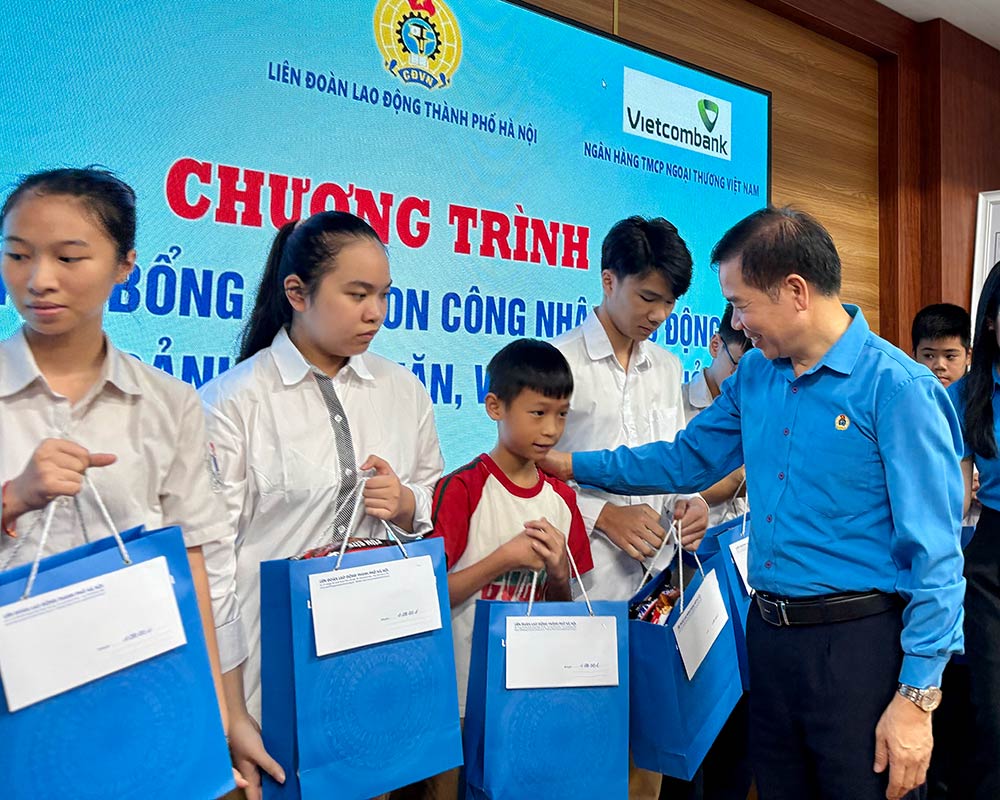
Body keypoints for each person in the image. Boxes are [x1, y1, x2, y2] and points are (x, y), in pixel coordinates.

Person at [543, 207, 965, 800]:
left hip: (858, 647)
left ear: (795, 291)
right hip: (768, 639)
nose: (735, 323)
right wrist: (573, 464)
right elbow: (685, 459)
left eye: (741, 304)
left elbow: (938, 558)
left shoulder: (897, 389)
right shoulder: (757, 377)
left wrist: (918, 698)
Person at [0, 167, 242, 786]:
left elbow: (195, 562)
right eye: (17, 255)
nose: (38, 280)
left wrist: (212, 712)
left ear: (125, 265)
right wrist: (14, 497)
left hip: (139, 689)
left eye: (69, 256)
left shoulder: (168, 403)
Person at [199, 211, 444, 799]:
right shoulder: (234, 402)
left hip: (380, 654)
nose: (375, 313)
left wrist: (410, 503)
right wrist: (230, 705)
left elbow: (437, 500)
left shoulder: (403, 390)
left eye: (383, 295)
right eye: (357, 294)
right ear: (297, 293)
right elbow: (212, 569)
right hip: (269, 671)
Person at [550, 215, 708, 800]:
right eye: (647, 298)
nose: (658, 315)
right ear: (607, 278)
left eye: (668, 303)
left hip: (660, 587)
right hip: (583, 587)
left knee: (652, 750)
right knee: (585, 754)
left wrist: (688, 504)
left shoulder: (666, 368)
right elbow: (525, 473)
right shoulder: (557, 361)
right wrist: (600, 516)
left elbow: (671, 465)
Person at [429, 339, 593, 793]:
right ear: (495, 407)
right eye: (538, 413)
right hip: (457, 695)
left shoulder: (561, 500)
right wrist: (503, 559)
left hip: (525, 694)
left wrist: (559, 572)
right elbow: (430, 599)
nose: (551, 429)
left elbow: (566, 615)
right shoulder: (463, 489)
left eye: (561, 414)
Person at [946, 260, 1000, 799]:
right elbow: (955, 494)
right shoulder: (964, 395)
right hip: (988, 560)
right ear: (990, 321)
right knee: (994, 717)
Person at [681, 302, 752, 528]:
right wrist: (731, 483)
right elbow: (665, 491)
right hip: (691, 551)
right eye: (739, 366)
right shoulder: (675, 405)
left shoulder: (761, 408)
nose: (746, 380)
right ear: (715, 345)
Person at [912, 303, 972, 389]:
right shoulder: (905, 398)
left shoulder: (984, 398)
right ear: (914, 356)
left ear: (968, 356)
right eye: (929, 356)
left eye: (950, 356)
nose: (940, 365)